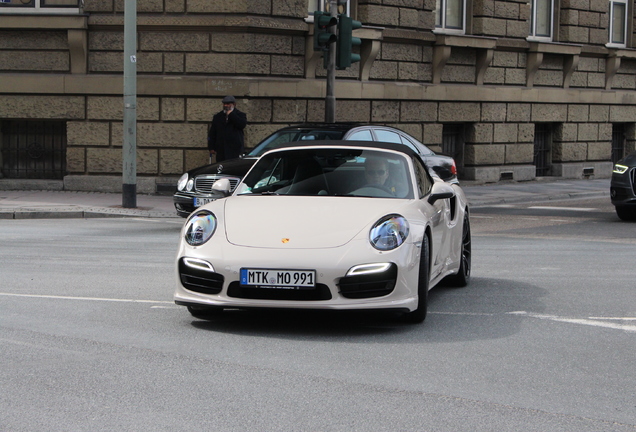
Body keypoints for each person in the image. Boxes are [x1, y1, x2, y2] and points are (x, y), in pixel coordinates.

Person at [208, 95, 247, 162]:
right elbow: (212, 133)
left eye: (228, 104)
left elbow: (241, 125)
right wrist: (211, 147)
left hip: (235, 149)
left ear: (234, 104)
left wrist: (231, 115)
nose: (226, 106)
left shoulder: (240, 115)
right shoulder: (218, 117)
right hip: (221, 149)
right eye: (224, 104)